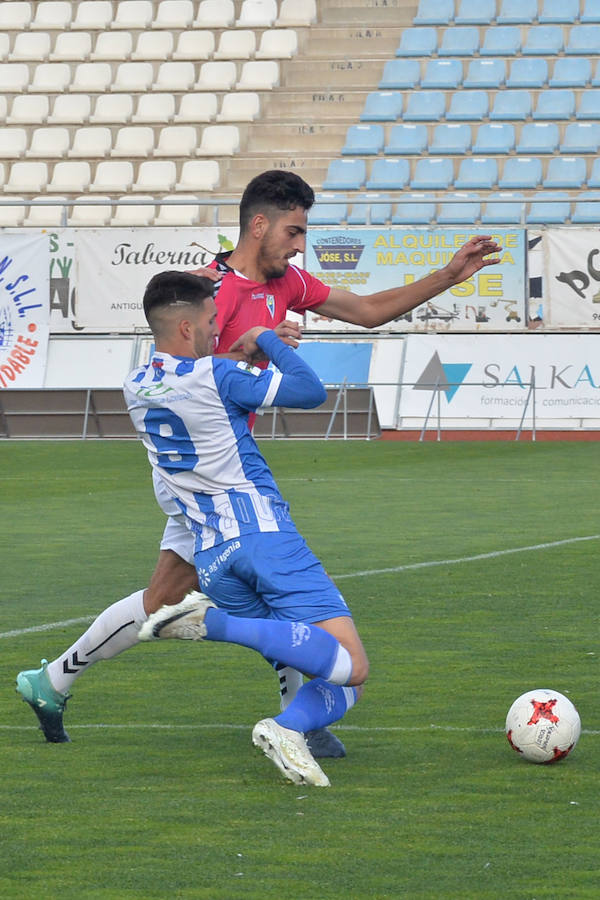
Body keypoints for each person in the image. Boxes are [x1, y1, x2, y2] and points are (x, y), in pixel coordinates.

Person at [16, 171, 501, 756]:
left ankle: (56, 681)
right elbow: (175, 374)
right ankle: (302, 719)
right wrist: (259, 345)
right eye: (294, 232)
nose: (300, 246)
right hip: (208, 475)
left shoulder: (288, 282)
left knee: (170, 596)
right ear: (259, 224)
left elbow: (369, 310)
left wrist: (451, 275)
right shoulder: (206, 290)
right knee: (230, 593)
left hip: (226, 465)